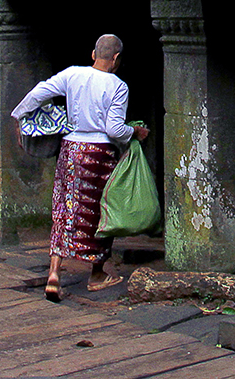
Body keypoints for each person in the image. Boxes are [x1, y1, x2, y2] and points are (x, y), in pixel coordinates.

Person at [10, 34, 150, 302]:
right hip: (98, 152)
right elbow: (114, 129)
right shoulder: (118, 86)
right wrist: (134, 131)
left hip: (70, 149)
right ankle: (97, 274)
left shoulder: (72, 74)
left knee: (63, 206)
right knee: (98, 211)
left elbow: (41, 91)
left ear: (93, 54)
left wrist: (19, 115)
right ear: (117, 58)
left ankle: (54, 272)